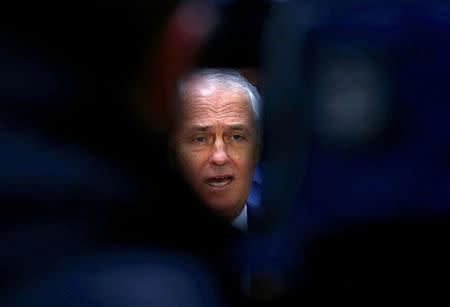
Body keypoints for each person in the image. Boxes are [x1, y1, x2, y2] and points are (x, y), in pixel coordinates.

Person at [171, 68, 263, 233]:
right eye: (200, 139)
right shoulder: (140, 247)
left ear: (256, 151)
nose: (219, 157)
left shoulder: (290, 240)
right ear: (173, 152)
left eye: (236, 137)